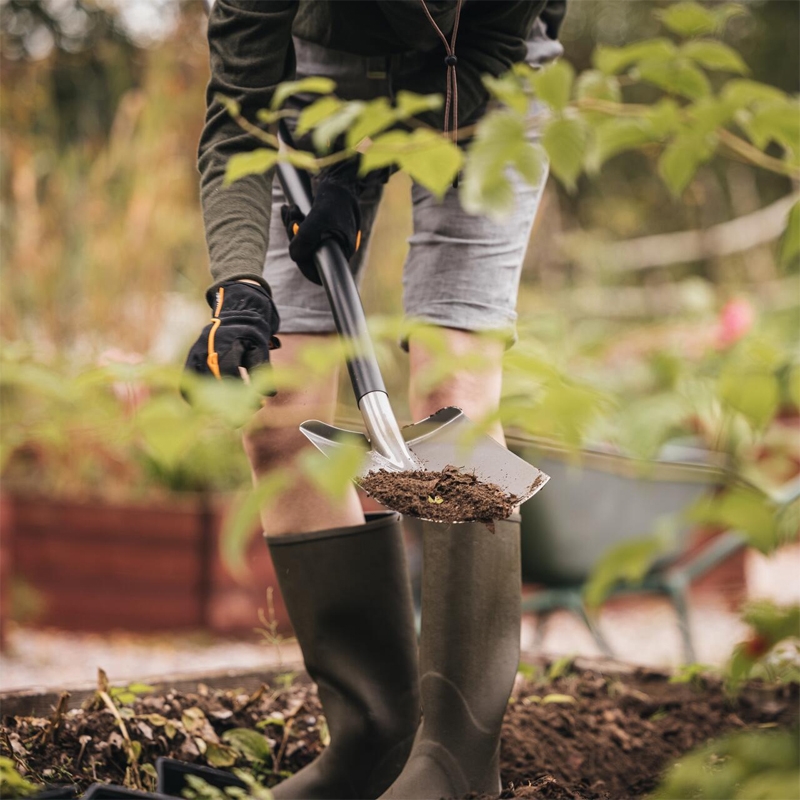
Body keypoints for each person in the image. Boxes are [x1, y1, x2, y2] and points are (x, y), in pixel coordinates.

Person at [185, 2, 566, 798]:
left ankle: (458, 763)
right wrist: (240, 283)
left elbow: (498, 29)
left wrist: (360, 177)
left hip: (486, 75)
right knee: (279, 410)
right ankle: (375, 735)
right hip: (324, 79)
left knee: (451, 393)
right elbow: (239, 115)